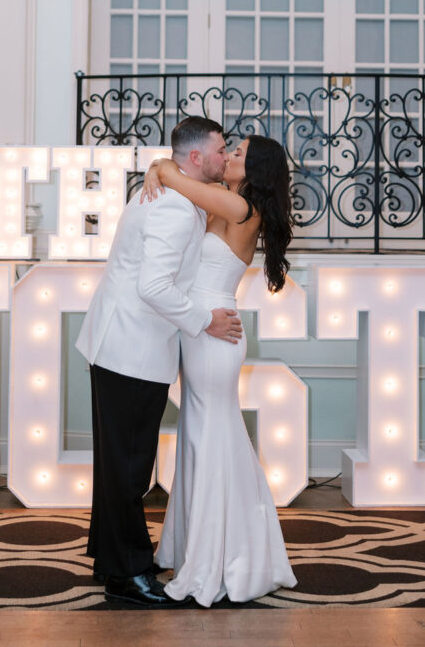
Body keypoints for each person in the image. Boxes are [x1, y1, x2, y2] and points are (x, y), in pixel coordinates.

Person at [75, 117, 244, 607]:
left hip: (120, 345)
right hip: (132, 349)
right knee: (129, 469)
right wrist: (204, 320)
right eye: (219, 149)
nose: (224, 155)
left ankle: (113, 558)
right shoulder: (174, 204)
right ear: (195, 158)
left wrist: (163, 168)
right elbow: (153, 288)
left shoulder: (176, 190)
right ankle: (128, 573)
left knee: (117, 465)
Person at [141, 133, 297, 607]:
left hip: (214, 333)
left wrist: (160, 168)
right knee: (202, 436)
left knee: (210, 439)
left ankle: (217, 559)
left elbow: (174, 176)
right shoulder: (233, 206)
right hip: (205, 329)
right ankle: (205, 550)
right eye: (229, 149)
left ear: (254, 171)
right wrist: (160, 170)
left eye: (238, 153)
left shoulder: (239, 209)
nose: (228, 156)